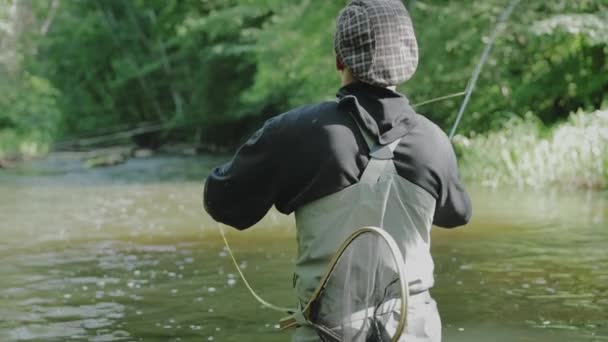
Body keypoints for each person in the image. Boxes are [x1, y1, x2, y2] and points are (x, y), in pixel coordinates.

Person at [203, 0, 472, 340]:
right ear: (410, 61)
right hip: (413, 329)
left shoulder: (297, 131)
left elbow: (225, 204)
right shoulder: (434, 142)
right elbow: (458, 214)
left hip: (327, 329)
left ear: (339, 59)